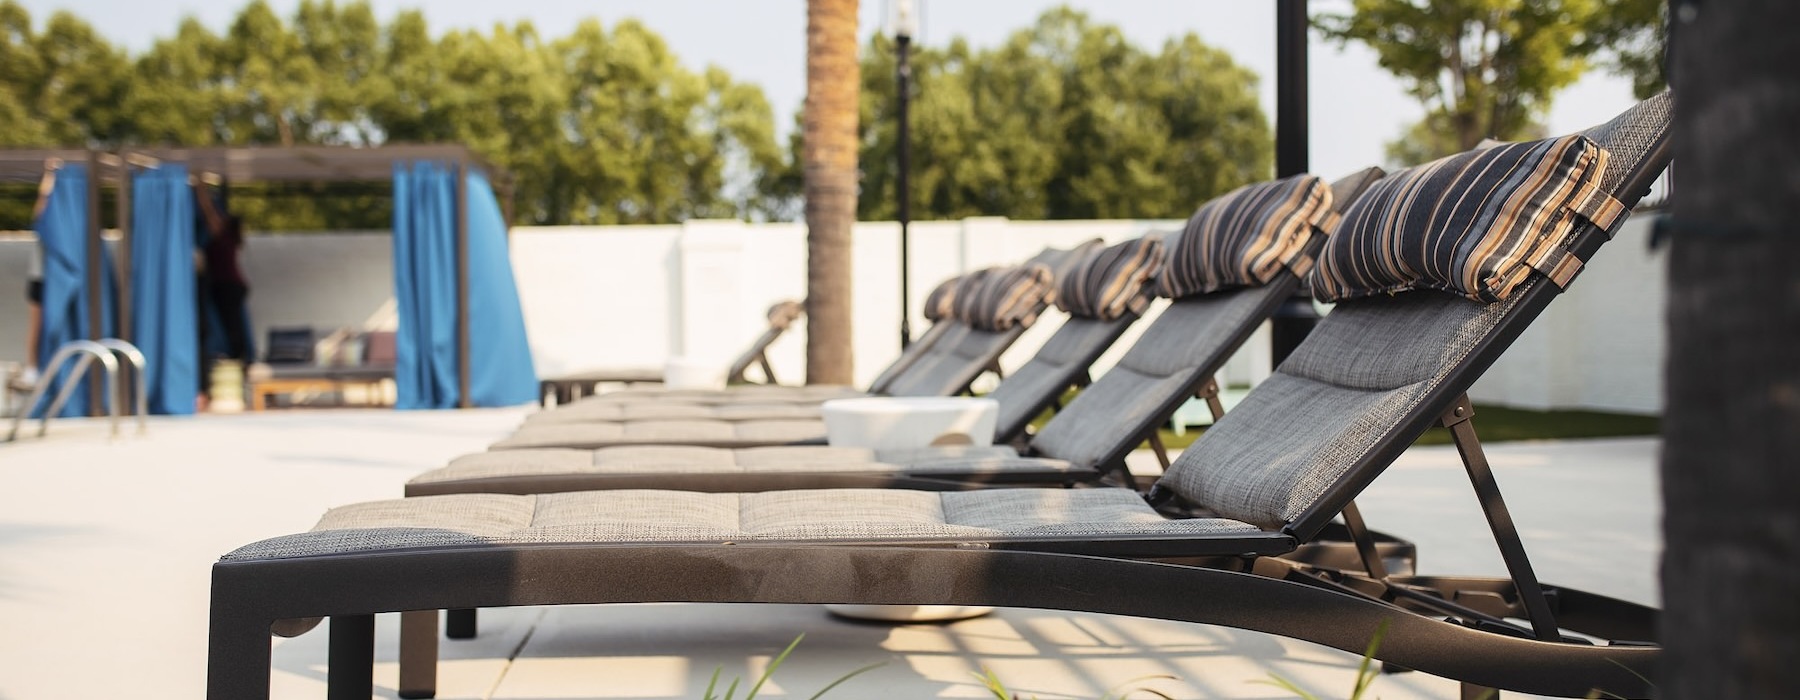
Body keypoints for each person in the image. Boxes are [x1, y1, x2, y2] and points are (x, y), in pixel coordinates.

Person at [192, 176, 251, 400]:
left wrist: (200, 188)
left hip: (228, 287)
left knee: (233, 333)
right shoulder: (229, 238)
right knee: (232, 330)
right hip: (231, 286)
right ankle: (239, 364)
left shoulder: (222, 235)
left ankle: (238, 369)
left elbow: (208, 212)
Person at [9, 162, 56, 394]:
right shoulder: (45, 225)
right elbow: (42, 202)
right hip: (39, 278)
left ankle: (35, 369)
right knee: (37, 325)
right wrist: (50, 174)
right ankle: (33, 368)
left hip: (45, 278)